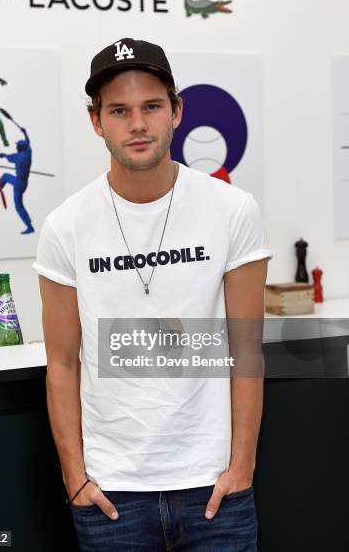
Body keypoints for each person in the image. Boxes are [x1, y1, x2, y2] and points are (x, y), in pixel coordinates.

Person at [32, 38, 273, 551]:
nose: (137, 124)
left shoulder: (233, 210)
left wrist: (243, 467)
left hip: (216, 490)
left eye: (151, 107)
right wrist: (75, 477)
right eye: (119, 111)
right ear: (97, 122)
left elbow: (246, 349)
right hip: (112, 497)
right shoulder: (65, 226)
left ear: (176, 112)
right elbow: (63, 362)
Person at [0, 126, 34, 234]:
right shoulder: (29, 152)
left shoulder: (19, 157)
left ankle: (29, 226)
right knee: (5, 176)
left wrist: (3, 155)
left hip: (19, 184)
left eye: (17, 146)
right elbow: (28, 142)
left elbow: (10, 156)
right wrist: (25, 133)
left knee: (18, 205)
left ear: (20, 148)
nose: (16, 147)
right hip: (24, 182)